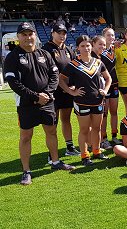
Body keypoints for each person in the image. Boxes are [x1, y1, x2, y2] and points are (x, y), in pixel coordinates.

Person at [4, 22, 75, 185]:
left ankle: (56, 162)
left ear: (35, 35)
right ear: (18, 37)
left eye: (31, 34)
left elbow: (54, 76)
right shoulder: (12, 57)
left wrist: (48, 94)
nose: (28, 37)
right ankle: (26, 171)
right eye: (24, 34)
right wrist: (36, 96)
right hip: (26, 103)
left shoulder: (45, 54)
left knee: (51, 131)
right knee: (26, 136)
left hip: (47, 101)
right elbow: (14, 83)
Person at [59, 35, 111, 166]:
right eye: (82, 46)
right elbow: (61, 79)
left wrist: (105, 90)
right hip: (81, 102)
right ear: (77, 48)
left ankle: (97, 151)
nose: (86, 48)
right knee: (84, 129)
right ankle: (84, 155)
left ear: (91, 46)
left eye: (88, 45)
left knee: (97, 128)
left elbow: (108, 78)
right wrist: (71, 91)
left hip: (98, 101)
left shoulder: (98, 62)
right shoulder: (73, 64)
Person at [42, 24, 79, 157]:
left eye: (64, 33)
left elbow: (76, 69)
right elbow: (52, 74)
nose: (62, 35)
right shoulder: (46, 49)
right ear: (52, 33)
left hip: (68, 91)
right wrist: (67, 89)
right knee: (53, 123)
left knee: (66, 119)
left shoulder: (69, 49)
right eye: (59, 32)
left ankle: (69, 147)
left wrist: (73, 85)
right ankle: (52, 153)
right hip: (53, 92)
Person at [101, 28, 122, 146]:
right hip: (103, 85)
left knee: (114, 111)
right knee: (104, 113)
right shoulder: (99, 50)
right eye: (108, 35)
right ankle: (103, 138)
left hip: (114, 83)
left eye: (113, 35)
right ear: (103, 36)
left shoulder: (115, 48)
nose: (111, 37)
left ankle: (114, 135)